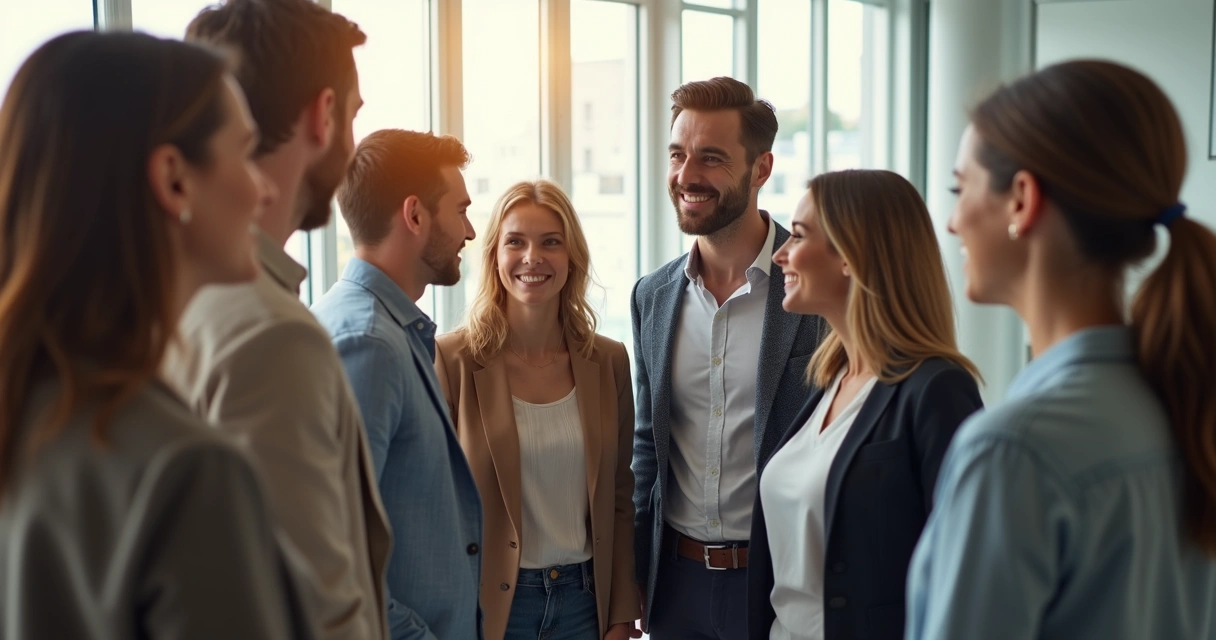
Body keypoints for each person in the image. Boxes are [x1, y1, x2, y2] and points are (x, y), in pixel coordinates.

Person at [0, 31, 315, 639]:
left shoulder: (26, 414)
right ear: (174, 180)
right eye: (245, 154)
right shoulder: (186, 469)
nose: (266, 188)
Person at [905, 59, 1216, 640]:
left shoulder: (1014, 450)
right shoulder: (1186, 402)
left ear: (1021, 200)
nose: (950, 222)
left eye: (959, 188)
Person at [161, 2, 392, 639]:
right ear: (323, 115)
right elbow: (310, 613)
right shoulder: (272, 335)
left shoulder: (159, 296)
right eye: (353, 114)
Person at [744, 170, 983, 640]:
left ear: (852, 255)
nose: (780, 255)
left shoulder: (936, 391)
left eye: (798, 235)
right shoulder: (828, 383)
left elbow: (965, 572)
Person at [631, 76, 827, 640]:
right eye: (677, 154)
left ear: (760, 168)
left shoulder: (819, 287)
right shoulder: (653, 296)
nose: (686, 175)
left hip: (781, 581)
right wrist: (636, 577)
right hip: (676, 587)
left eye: (711, 158)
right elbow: (649, 447)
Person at [433, 179, 642, 640]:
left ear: (572, 258)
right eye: (516, 242)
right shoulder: (452, 361)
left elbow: (619, 495)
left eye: (551, 242)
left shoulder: (608, 360)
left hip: (586, 603)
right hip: (494, 606)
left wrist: (622, 610)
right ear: (494, 256)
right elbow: (436, 505)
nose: (533, 258)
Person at [312, 129, 483, 640]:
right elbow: (335, 553)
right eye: (460, 210)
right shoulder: (369, 344)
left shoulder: (391, 331)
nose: (471, 231)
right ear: (414, 215)